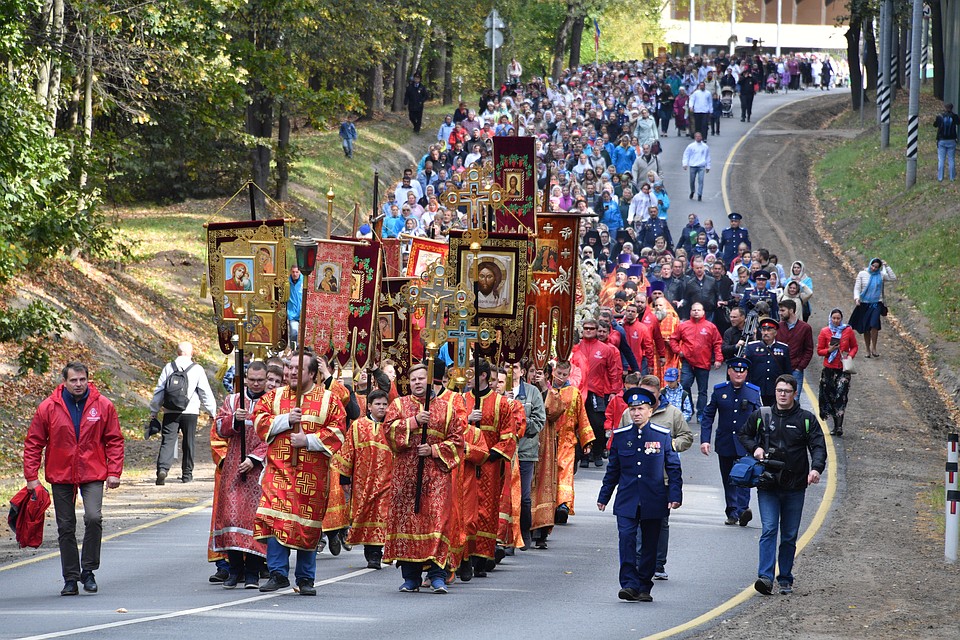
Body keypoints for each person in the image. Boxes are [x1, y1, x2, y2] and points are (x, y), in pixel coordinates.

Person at [23, 362, 124, 596]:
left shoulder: (103, 405)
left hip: (93, 471)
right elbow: (34, 443)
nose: (78, 384)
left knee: (93, 517)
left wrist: (114, 471)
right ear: (64, 382)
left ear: (88, 380)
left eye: (82, 380)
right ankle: (70, 577)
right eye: (73, 380)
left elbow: (115, 440)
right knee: (66, 527)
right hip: (61, 473)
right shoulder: (49, 407)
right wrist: (31, 477)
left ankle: (88, 570)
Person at [252, 352, 347, 596]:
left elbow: (338, 432)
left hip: (311, 477)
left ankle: (305, 578)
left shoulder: (328, 400)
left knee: (306, 525)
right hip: (279, 471)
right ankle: (278, 573)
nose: (291, 372)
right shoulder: (274, 397)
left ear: (312, 373)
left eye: (298, 368)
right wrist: (285, 420)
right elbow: (260, 420)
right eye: (289, 367)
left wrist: (308, 440)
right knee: (273, 517)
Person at [740, 374, 826, 596]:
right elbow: (744, 434)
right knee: (769, 529)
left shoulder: (806, 419)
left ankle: (785, 577)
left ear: (794, 393)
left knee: (789, 534)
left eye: (787, 391)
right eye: (779, 390)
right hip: (768, 485)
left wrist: (816, 469)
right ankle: (765, 578)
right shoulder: (762, 415)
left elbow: (818, 446)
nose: (782, 395)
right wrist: (754, 449)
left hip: (795, 486)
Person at [383, 365, 464, 593]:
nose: (418, 382)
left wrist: (434, 450)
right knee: (408, 525)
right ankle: (411, 577)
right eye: (414, 379)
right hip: (406, 478)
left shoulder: (447, 409)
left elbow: (458, 443)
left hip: (437, 477)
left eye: (422, 378)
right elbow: (388, 432)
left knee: (437, 522)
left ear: (430, 381)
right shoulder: (399, 405)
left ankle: (437, 575)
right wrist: (414, 421)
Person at [597, 388, 682, 603]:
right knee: (626, 539)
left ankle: (644, 585)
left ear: (650, 411)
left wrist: (675, 495)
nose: (636, 413)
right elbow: (613, 469)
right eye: (633, 409)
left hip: (653, 499)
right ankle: (629, 584)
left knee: (649, 544)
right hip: (627, 499)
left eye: (641, 409)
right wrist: (604, 496)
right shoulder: (621, 436)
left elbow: (673, 467)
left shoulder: (661, 436)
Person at [211, 361, 268, 589]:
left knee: (255, 520)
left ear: (266, 379)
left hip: (259, 470)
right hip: (234, 467)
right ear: (245, 378)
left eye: (260, 380)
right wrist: (235, 419)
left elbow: (274, 434)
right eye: (252, 379)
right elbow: (219, 427)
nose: (255, 383)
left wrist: (254, 458)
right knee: (232, 518)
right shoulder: (233, 400)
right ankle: (235, 571)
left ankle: (253, 572)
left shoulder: (271, 402)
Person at [462, 358, 518, 576]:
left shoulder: (501, 403)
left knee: (486, 510)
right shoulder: (462, 399)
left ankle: (482, 556)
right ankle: (464, 555)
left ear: (483, 376)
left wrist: (489, 455)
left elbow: (508, 435)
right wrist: (467, 420)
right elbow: (453, 427)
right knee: (466, 509)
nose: (468, 377)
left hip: (490, 466)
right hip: (466, 463)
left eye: (471, 373)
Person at [532, 360, 594, 548]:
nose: (561, 377)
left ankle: (563, 506)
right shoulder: (543, 390)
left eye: (565, 374)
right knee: (547, 477)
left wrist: (586, 440)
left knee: (565, 472)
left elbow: (581, 417)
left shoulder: (574, 393)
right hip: (548, 438)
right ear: (553, 372)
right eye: (559, 373)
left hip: (566, 439)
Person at [638, 375, 692, 581]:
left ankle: (658, 564)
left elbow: (686, 437)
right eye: (643, 393)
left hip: (663, 479)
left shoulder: (672, 413)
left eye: (651, 394)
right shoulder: (632, 413)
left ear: (659, 393)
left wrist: (669, 446)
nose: (646, 398)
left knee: (660, 522)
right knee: (636, 521)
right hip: (638, 478)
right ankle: (639, 562)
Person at [700, 357, 762, 526]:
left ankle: (743, 510)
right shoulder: (720, 390)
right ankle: (731, 512)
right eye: (735, 370)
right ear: (729, 372)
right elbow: (708, 415)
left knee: (744, 474)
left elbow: (761, 419)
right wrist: (705, 440)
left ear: (747, 373)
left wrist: (760, 444)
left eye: (742, 371)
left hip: (746, 443)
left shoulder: (754, 392)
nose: (739, 373)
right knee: (728, 478)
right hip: (725, 442)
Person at [149, 342, 217, 485]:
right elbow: (205, 392)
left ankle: (162, 469)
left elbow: (160, 390)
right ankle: (187, 474)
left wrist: (154, 410)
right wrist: (212, 412)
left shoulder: (169, 367)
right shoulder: (197, 369)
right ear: (191, 353)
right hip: (190, 411)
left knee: (168, 440)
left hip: (170, 410)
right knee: (189, 441)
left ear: (178, 352)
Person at [574, 318, 623, 466]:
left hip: (597, 392)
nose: (588, 331)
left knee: (597, 424)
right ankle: (583, 456)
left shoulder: (605, 349)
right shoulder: (576, 348)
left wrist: (614, 391)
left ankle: (596, 453)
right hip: (578, 392)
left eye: (591, 328)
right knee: (579, 424)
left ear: (596, 331)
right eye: (586, 328)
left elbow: (613, 371)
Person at [507, 360, 546, 549]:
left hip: (524, 450)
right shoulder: (498, 390)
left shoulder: (532, 392)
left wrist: (520, 424)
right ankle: (506, 536)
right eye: (506, 366)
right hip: (503, 450)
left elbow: (539, 420)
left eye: (514, 367)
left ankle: (524, 532)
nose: (510, 370)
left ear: (522, 371)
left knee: (523, 496)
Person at [669, 302, 723, 422]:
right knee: (685, 386)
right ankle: (689, 410)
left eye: (698, 310)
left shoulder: (710, 326)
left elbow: (717, 343)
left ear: (703, 312)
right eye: (694, 310)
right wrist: (678, 351)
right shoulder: (684, 326)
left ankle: (701, 413)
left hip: (703, 363)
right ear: (690, 312)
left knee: (702, 391)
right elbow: (673, 339)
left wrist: (718, 359)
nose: (696, 312)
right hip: (687, 361)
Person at [817, 308, 859, 436]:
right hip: (829, 369)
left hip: (842, 369)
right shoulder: (825, 332)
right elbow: (819, 351)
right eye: (834, 318)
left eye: (838, 318)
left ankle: (839, 426)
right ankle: (835, 425)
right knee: (830, 396)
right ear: (830, 319)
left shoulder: (848, 330)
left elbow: (855, 346)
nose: (836, 321)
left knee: (841, 396)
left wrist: (850, 356)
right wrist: (829, 350)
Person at [851, 257, 896, 358]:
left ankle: (874, 347)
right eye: (873, 265)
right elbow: (857, 288)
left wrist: (886, 266)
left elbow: (893, 278)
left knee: (874, 325)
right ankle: (867, 349)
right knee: (866, 328)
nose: (874, 268)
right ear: (870, 264)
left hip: (876, 303)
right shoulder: (862, 274)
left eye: (876, 267)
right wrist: (857, 298)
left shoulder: (881, 275)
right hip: (864, 304)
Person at [744, 317, 792, 407]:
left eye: (769, 330)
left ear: (775, 332)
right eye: (763, 330)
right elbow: (747, 370)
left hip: (775, 390)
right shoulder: (752, 347)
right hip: (756, 388)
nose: (766, 333)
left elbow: (787, 372)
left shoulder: (783, 348)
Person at [776, 300, 814, 398]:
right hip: (779, 369)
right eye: (779, 311)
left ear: (791, 310)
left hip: (795, 370)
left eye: (782, 310)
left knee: (794, 399)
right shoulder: (778, 327)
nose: (780, 313)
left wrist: (800, 367)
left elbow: (808, 349)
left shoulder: (805, 328)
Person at [682, 132, 711, 201]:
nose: (698, 138)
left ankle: (699, 194)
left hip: (701, 166)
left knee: (701, 180)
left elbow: (708, 157)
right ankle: (692, 191)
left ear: (701, 137)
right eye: (697, 136)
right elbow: (686, 155)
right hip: (693, 166)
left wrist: (708, 166)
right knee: (692, 180)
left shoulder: (705, 147)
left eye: (699, 136)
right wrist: (685, 164)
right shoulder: (691, 146)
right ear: (695, 138)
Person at [935, 102, 958, 182]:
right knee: (951, 159)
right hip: (952, 140)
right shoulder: (955, 116)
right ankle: (952, 178)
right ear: (952, 108)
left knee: (941, 159)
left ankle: (940, 178)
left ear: (945, 108)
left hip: (941, 140)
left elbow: (935, 125)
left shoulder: (940, 116)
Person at [287, 265, 302, 350]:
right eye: (293, 272)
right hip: (292, 313)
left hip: (303, 312)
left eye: (296, 272)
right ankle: (293, 350)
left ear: (299, 272)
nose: (295, 274)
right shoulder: (287, 282)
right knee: (294, 333)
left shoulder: (304, 281)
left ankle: (304, 351)